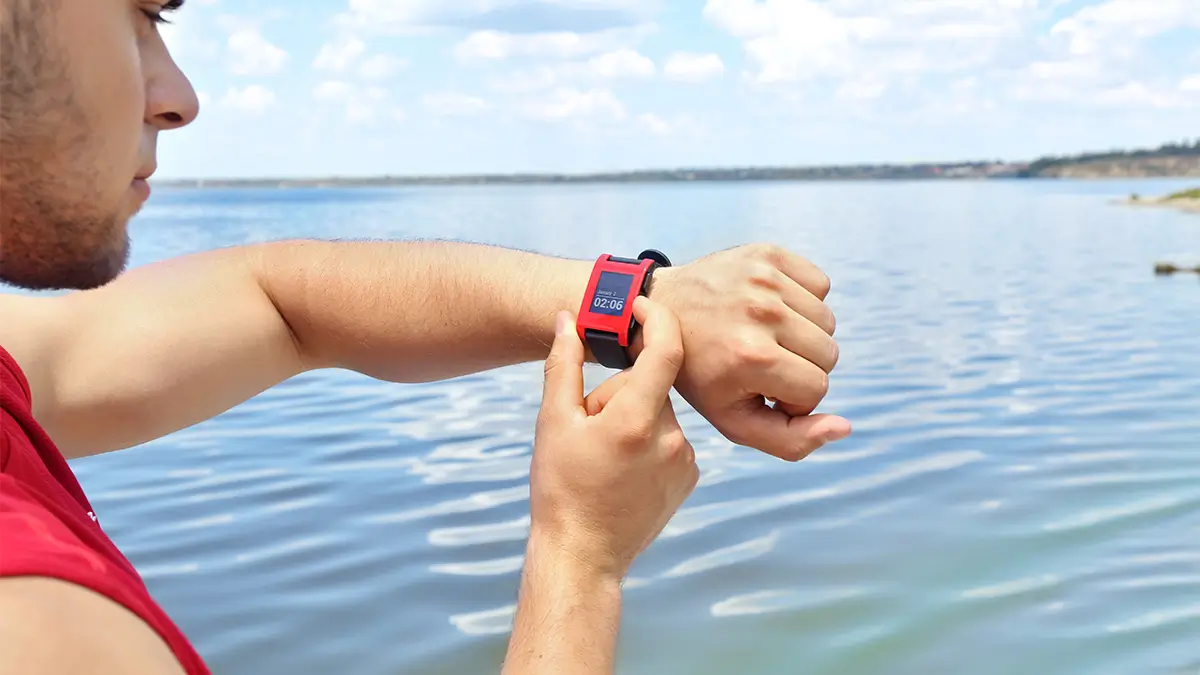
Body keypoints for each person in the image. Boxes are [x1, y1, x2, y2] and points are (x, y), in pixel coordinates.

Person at [0, 1, 851, 673]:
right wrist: (579, 561)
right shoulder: (34, 621)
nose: (179, 97)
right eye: (143, 14)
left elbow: (283, 303)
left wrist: (642, 307)